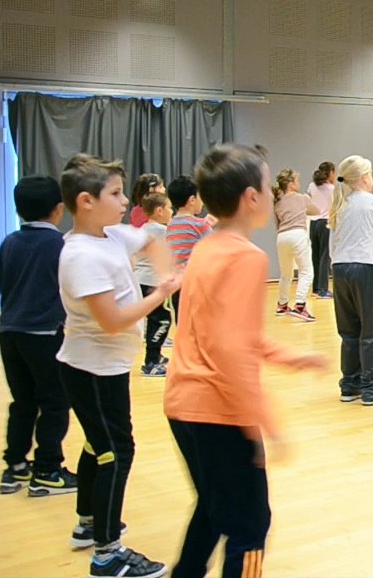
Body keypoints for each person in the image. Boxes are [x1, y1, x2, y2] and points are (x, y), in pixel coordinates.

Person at [164, 144, 328, 578]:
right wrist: (263, 424)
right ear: (251, 198)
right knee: (250, 525)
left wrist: (292, 357)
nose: (272, 196)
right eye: (267, 187)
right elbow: (231, 353)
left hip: (182, 405)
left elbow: (229, 333)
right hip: (217, 411)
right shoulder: (246, 257)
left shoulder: (206, 247)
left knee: (214, 506)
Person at [56, 153, 180, 578]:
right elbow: (112, 321)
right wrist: (160, 294)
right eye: (115, 194)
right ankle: (107, 554)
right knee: (116, 450)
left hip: (108, 366)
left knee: (98, 444)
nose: (126, 201)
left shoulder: (110, 235)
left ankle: (88, 523)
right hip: (91, 370)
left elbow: (152, 240)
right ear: (86, 201)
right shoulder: (80, 255)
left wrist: (165, 274)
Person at [0, 176, 77, 497]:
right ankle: (47, 469)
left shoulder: (9, 242)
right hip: (44, 335)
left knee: (23, 402)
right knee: (55, 402)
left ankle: (15, 465)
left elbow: (4, 285)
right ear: (59, 209)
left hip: (9, 333)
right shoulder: (59, 245)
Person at [329, 155, 373, 406]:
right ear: (365, 177)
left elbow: (333, 246)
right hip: (364, 268)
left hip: (339, 269)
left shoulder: (339, 205)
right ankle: (372, 389)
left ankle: (349, 385)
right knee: (370, 331)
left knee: (348, 331)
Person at [133, 193, 174, 377]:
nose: (171, 212)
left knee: (152, 320)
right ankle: (151, 362)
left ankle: (155, 356)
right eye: (169, 208)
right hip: (152, 283)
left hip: (139, 280)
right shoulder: (163, 231)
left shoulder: (142, 229)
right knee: (162, 321)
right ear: (159, 211)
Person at [166, 176, 212, 322]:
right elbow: (213, 250)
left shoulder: (170, 225)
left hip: (177, 285)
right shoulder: (200, 225)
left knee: (183, 325)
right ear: (192, 200)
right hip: (196, 284)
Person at [272, 168, 316, 321]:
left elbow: (277, 224)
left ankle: (282, 305)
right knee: (306, 271)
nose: (299, 183)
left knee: (286, 273)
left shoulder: (277, 202)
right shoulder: (302, 198)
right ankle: (300, 306)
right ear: (291, 184)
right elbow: (316, 210)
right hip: (298, 234)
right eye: (297, 181)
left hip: (282, 237)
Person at [307, 161, 336, 298]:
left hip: (313, 223)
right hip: (326, 223)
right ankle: (323, 289)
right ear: (330, 173)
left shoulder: (311, 186)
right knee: (325, 256)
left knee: (316, 256)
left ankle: (316, 288)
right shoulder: (332, 189)